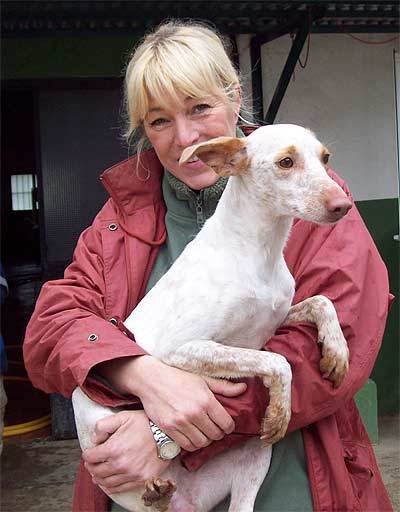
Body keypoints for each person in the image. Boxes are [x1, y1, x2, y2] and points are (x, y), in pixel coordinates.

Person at [23, 20, 393, 512]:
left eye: (200, 108)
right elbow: (52, 329)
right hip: (146, 491)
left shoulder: (315, 201)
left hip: (287, 487)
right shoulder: (118, 221)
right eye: (158, 121)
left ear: (234, 97)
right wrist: (136, 371)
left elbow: (329, 359)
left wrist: (160, 433)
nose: (184, 137)